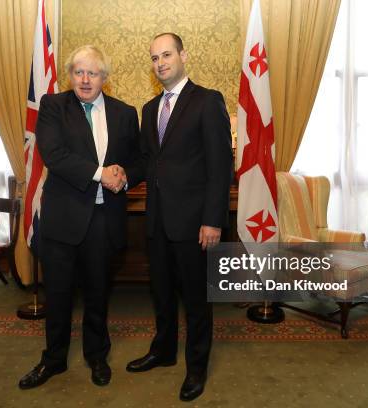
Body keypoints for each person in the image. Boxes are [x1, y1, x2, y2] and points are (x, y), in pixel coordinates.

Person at [19, 45, 144, 390]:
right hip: (63, 220)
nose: (85, 79)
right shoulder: (53, 106)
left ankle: (96, 356)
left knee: (98, 294)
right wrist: (100, 173)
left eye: (93, 72)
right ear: (69, 75)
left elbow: (137, 160)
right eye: (78, 72)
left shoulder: (125, 112)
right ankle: (54, 359)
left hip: (104, 220)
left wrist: (125, 175)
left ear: (105, 76)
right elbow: (54, 155)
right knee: (57, 296)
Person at [125, 33, 233, 401]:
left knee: (197, 300)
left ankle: (197, 367)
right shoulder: (149, 109)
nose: (160, 63)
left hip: (195, 224)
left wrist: (213, 220)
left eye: (166, 54)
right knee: (162, 293)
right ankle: (164, 350)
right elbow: (146, 161)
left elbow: (221, 167)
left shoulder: (207, 101)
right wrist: (121, 174)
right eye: (154, 57)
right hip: (156, 221)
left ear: (183, 55)